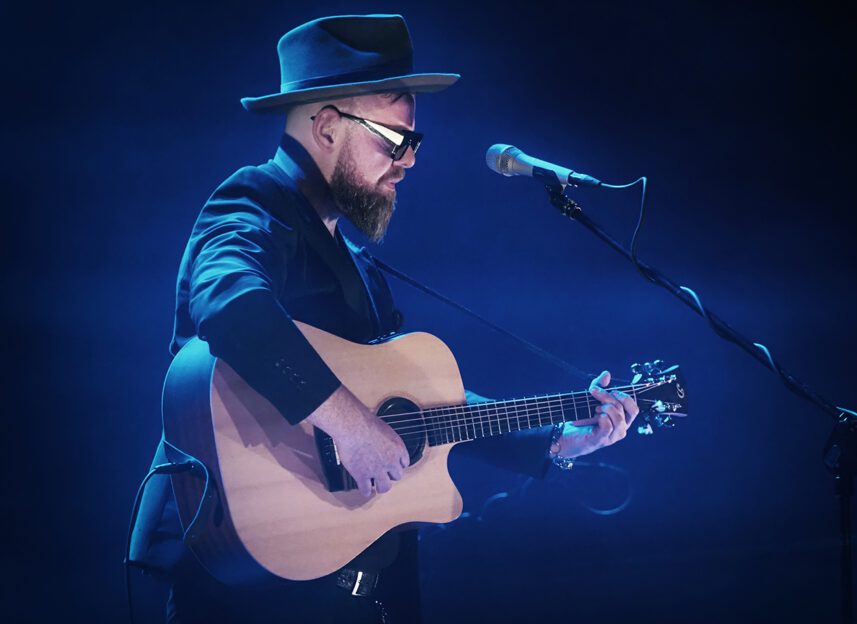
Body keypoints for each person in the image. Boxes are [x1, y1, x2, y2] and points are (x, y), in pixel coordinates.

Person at [129, 14, 640, 624]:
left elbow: (415, 410)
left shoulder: (352, 256)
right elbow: (229, 304)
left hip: (358, 587)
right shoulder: (251, 203)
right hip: (248, 586)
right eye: (396, 139)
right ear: (326, 127)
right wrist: (348, 424)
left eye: (414, 142)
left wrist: (556, 438)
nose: (410, 160)